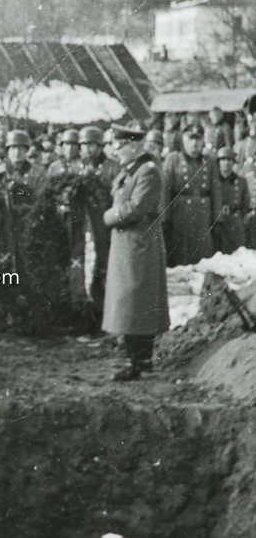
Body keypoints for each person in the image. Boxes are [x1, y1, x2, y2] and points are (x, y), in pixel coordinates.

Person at [102, 124, 170, 381]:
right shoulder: (132, 171)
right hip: (128, 246)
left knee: (136, 302)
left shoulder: (148, 172)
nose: (116, 152)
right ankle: (138, 358)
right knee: (130, 303)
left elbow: (135, 208)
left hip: (138, 245)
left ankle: (137, 361)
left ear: (132, 146)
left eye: (119, 147)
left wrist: (108, 217)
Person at [162, 123, 222, 266]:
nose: (195, 144)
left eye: (198, 139)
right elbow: (165, 192)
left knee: (202, 256)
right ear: (183, 139)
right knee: (181, 256)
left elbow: (216, 192)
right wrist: (165, 218)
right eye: (191, 139)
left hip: (202, 214)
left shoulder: (209, 161)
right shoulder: (173, 159)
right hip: (180, 213)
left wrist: (217, 219)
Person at [215, 147, 251, 254]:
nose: (226, 163)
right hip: (218, 222)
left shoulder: (240, 182)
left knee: (236, 254)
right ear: (219, 163)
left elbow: (245, 203)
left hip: (234, 222)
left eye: (229, 160)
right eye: (223, 160)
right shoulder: (213, 181)